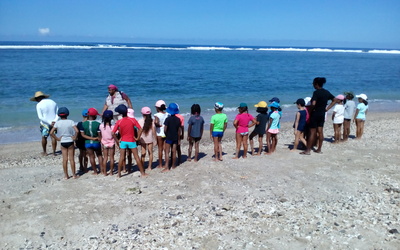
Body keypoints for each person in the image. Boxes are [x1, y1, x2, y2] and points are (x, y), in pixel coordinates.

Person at [301, 77, 338, 155]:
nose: (313, 85)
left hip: (315, 113)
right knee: (320, 132)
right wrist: (327, 108)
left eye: (313, 84)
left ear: (316, 84)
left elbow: (313, 103)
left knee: (312, 132)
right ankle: (319, 149)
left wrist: (309, 110)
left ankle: (308, 150)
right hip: (322, 113)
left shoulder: (316, 93)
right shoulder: (326, 92)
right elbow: (335, 100)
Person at [112, 104, 147, 178]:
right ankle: (142, 173)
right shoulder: (132, 120)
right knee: (136, 157)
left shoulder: (119, 121)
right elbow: (140, 129)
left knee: (121, 157)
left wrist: (118, 141)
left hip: (123, 141)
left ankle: (119, 174)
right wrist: (137, 137)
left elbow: (113, 133)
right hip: (131, 141)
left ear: (120, 113)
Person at [50, 107, 79, 179]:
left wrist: (57, 138)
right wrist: (75, 137)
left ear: (59, 115)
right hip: (70, 141)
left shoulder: (57, 123)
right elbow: (77, 131)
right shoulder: (71, 121)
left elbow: (51, 133)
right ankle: (74, 175)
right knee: (71, 159)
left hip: (63, 141)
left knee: (64, 159)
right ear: (67, 114)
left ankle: (66, 175)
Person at [30, 91, 58, 156]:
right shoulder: (53, 102)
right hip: (54, 123)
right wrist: (54, 121)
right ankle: (54, 152)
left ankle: (45, 152)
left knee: (44, 137)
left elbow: (40, 117)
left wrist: (49, 122)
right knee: (53, 137)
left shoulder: (39, 105)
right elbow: (57, 113)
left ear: (37, 98)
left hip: (45, 124)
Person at [81, 108, 103, 175]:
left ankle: (95, 171)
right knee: (99, 155)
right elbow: (100, 135)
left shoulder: (83, 124)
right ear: (95, 116)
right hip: (96, 142)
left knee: (91, 156)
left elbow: (83, 135)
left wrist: (90, 138)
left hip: (88, 143)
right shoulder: (98, 124)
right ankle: (102, 170)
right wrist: (97, 139)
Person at [163, 103, 182, 171]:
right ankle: (173, 165)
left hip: (169, 137)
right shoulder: (178, 119)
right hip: (175, 137)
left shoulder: (168, 119)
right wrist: (179, 138)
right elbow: (179, 130)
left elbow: (165, 129)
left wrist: (166, 134)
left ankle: (167, 167)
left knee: (167, 152)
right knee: (174, 151)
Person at [154, 100, 169, 168]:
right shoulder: (167, 114)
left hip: (159, 133)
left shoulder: (157, 115)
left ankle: (160, 164)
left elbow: (156, 122)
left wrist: (158, 125)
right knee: (166, 149)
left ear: (157, 108)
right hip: (166, 132)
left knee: (160, 149)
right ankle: (166, 162)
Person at [99, 110, 115, 176]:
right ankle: (111, 172)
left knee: (105, 158)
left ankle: (105, 172)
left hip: (104, 143)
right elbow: (115, 134)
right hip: (111, 143)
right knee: (111, 158)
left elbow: (100, 134)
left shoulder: (101, 126)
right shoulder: (113, 126)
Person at [76, 109, 89, 173]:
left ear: (82, 116)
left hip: (80, 140)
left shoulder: (79, 123)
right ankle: (85, 167)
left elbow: (77, 132)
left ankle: (81, 166)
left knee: (81, 153)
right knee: (86, 154)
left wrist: (75, 139)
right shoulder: (89, 124)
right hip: (87, 139)